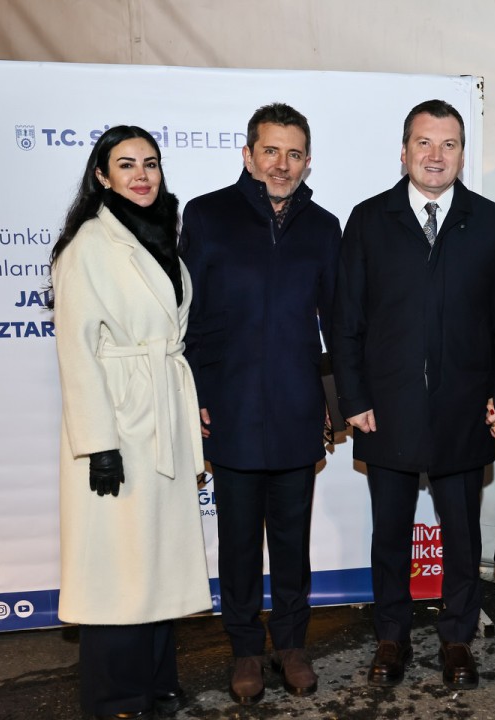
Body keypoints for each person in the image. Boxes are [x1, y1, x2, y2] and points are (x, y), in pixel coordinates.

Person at [331, 99, 495, 691]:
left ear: (462, 154)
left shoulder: (489, 221)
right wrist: (352, 398)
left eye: (449, 144)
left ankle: (457, 638)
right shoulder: (369, 219)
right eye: (424, 142)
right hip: (385, 410)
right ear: (404, 150)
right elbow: (346, 321)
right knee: (389, 535)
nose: (436, 155)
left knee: (463, 538)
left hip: (464, 410)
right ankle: (390, 638)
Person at [180, 103, 341, 705]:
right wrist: (197, 394)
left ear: (307, 161)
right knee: (240, 543)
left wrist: (334, 404)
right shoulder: (207, 216)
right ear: (248, 155)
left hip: (298, 408)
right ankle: (246, 649)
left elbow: (337, 324)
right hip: (232, 408)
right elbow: (187, 318)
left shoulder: (324, 227)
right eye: (270, 151)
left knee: (293, 543)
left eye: (293, 154)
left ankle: (292, 645)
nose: (281, 164)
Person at [50, 125, 210, 719]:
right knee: (118, 565)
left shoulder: (160, 235)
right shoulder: (88, 246)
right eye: (126, 164)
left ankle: (157, 682)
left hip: (161, 411)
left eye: (150, 163)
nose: (142, 175)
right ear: (102, 176)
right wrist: (99, 444)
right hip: (118, 420)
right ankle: (115, 697)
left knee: (157, 559)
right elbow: (76, 352)